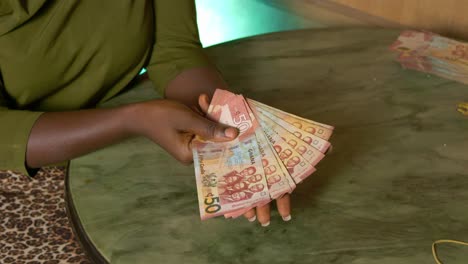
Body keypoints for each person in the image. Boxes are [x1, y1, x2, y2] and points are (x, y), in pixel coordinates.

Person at [0, 0, 290, 225]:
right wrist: (132, 119)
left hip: (133, 141)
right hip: (22, 180)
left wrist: (226, 130)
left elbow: (173, 48)